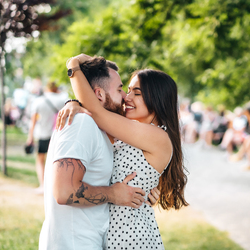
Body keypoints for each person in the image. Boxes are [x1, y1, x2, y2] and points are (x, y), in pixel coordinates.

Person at [59, 54, 188, 250]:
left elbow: (98, 112)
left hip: (132, 239)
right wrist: (74, 103)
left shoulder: (157, 136)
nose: (126, 98)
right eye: (127, 91)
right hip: (116, 236)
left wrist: (73, 65)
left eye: (137, 93)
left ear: (157, 99)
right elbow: (98, 109)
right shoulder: (131, 133)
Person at [39, 57, 151, 250]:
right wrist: (113, 194)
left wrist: (146, 188)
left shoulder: (96, 127)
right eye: (119, 89)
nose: (125, 96)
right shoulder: (83, 124)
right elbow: (64, 192)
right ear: (99, 94)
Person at [26, 81, 67, 193]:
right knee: (56, 161)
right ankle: (55, 186)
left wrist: (30, 137)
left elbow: (33, 121)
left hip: (42, 134)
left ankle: (43, 186)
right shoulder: (62, 100)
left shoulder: (38, 101)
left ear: (46, 88)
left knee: (40, 160)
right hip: (58, 135)